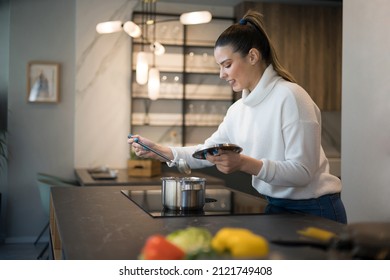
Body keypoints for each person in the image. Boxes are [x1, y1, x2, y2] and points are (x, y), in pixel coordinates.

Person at [128, 10, 347, 224]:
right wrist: (159, 150)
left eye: (227, 65)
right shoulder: (238, 110)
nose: (221, 74)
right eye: (220, 67)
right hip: (276, 206)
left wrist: (243, 163)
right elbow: (206, 152)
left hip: (315, 209)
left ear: (252, 56)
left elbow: (303, 173)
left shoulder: (291, 97)